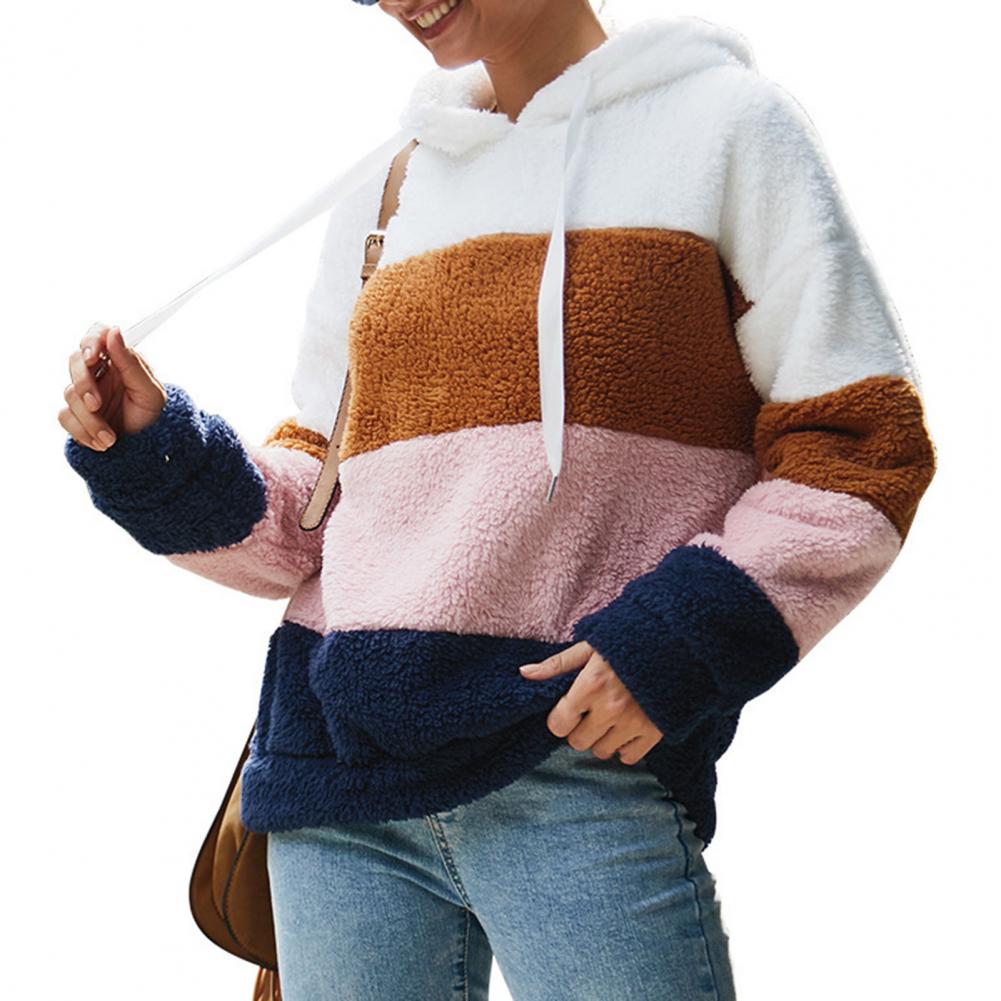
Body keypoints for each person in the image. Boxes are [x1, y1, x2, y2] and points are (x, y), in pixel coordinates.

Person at [58, 2, 938, 999]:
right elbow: (322, 513)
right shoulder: (394, 185)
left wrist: (673, 644)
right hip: (338, 788)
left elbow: (860, 447)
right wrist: (158, 451)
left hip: (575, 765)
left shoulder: (726, 128)